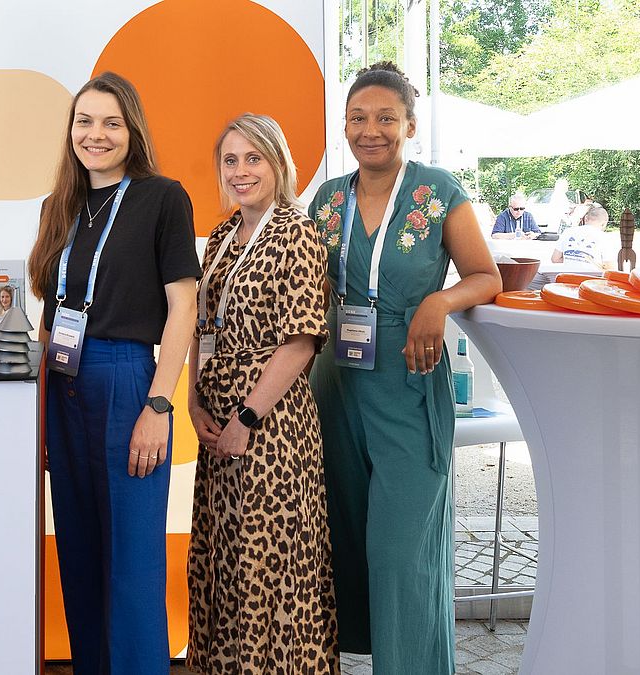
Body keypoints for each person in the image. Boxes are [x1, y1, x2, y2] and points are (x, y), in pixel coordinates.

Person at [306, 62, 501, 673]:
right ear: (344, 125)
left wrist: (437, 303)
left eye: (386, 118)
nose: (371, 130)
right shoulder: (328, 197)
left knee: (402, 549)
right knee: (344, 536)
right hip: (335, 383)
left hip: (408, 379)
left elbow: (486, 276)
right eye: (358, 118)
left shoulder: (437, 191)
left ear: (410, 125)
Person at [27, 71, 199, 675]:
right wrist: (38, 414)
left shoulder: (162, 198)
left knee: (131, 563)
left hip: (127, 382)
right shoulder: (58, 206)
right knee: (79, 555)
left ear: (133, 131)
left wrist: (158, 406)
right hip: (62, 381)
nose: (95, 135)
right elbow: (50, 318)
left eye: (111, 123)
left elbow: (183, 307)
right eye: (84, 121)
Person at [185, 114, 338, 673]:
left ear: (278, 163)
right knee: (223, 557)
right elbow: (202, 327)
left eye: (253, 158)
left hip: (271, 424)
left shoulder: (298, 233)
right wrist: (194, 402)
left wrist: (246, 418)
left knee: (268, 561)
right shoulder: (222, 237)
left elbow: (301, 341)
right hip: (217, 416)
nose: (241, 171)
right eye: (230, 160)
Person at [551, 203, 611, 271]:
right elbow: (609, 268)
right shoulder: (604, 237)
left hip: (568, 276)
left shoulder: (568, 231)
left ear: (586, 218)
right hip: (591, 277)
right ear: (604, 223)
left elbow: (555, 259)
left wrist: (573, 260)